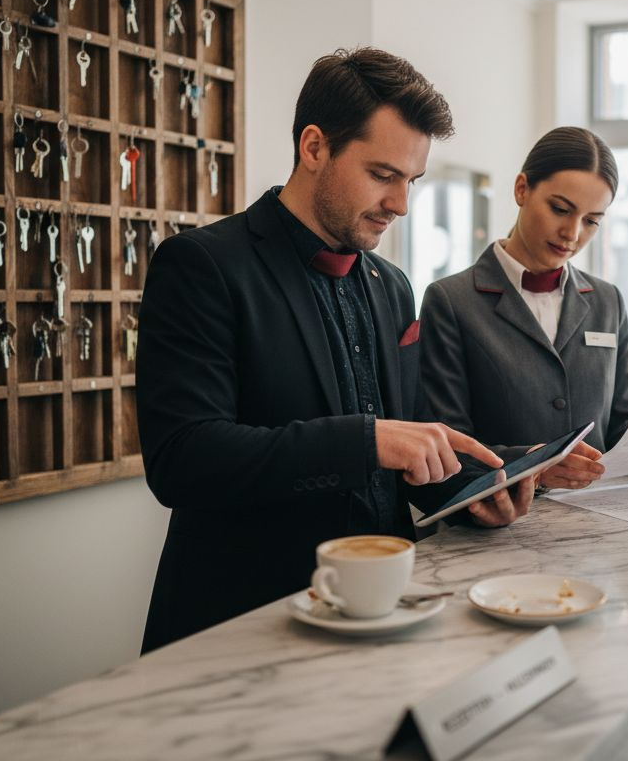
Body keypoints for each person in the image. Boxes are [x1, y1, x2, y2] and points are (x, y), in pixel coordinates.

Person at [136, 47, 534, 654]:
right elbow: (183, 460)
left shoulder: (392, 286)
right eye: (383, 175)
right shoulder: (202, 266)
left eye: (411, 181)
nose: (401, 204)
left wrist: (482, 489)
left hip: (383, 617)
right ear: (314, 147)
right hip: (244, 624)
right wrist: (367, 438)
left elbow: (399, 464)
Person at [418, 127, 628, 490]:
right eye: (560, 209)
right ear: (521, 189)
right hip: (500, 523)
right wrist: (533, 467)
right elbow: (445, 443)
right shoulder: (451, 300)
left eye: (592, 220)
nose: (572, 232)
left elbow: (626, 431)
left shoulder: (607, 300)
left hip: (600, 520)